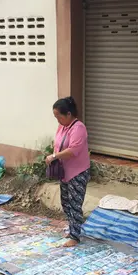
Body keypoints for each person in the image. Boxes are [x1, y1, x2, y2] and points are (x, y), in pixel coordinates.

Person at [45, 96, 91, 248]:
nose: (57, 119)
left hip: (77, 172)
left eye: (59, 115)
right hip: (65, 172)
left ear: (69, 114)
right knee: (66, 203)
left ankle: (75, 236)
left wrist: (54, 156)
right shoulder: (63, 127)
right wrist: (54, 156)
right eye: (55, 116)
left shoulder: (79, 128)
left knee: (75, 203)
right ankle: (73, 229)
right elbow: (58, 144)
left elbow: (74, 150)